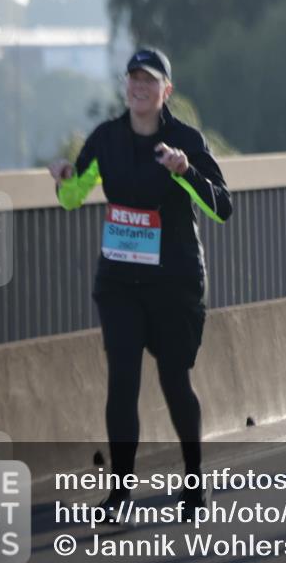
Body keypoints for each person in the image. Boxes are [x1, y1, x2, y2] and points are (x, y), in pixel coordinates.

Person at [49, 48, 232, 515]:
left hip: (174, 280)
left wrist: (184, 171)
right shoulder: (106, 139)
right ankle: (120, 492)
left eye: (150, 80)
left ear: (166, 90)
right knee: (122, 381)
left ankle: (194, 484)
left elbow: (221, 208)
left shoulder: (185, 139)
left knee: (174, 379)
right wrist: (63, 178)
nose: (140, 87)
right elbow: (73, 197)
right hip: (119, 281)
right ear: (124, 86)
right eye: (133, 79)